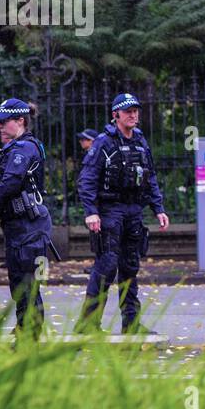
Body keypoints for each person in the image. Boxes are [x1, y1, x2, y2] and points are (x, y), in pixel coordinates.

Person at [75, 93, 169, 335]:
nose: (133, 115)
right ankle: (88, 325)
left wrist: (158, 208)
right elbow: (86, 180)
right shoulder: (103, 143)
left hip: (134, 211)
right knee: (106, 265)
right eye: (128, 111)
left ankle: (131, 323)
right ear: (115, 114)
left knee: (130, 266)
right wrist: (91, 212)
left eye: (135, 110)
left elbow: (150, 177)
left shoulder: (140, 141)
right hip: (110, 211)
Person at [0, 98, 52, 338]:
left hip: (29, 227)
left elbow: (9, 185)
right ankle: (25, 326)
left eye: (4, 122)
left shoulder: (24, 149)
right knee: (18, 281)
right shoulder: (15, 148)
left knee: (27, 283)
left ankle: (30, 333)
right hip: (19, 225)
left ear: (20, 121)